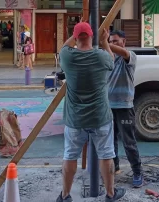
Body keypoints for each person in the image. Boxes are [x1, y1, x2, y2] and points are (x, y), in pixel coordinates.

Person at [56, 22, 126, 202]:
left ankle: (65, 195)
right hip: (100, 117)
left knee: (70, 156)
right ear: (91, 36)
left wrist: (75, 32)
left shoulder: (67, 57)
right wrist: (104, 41)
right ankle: (110, 194)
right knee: (106, 155)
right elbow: (111, 59)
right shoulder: (101, 57)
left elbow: (65, 46)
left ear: (75, 37)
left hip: (75, 119)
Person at [108, 30, 143, 188]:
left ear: (124, 42)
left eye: (116, 41)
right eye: (111, 41)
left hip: (124, 106)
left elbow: (121, 52)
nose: (113, 44)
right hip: (108, 106)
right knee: (110, 141)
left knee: (128, 142)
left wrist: (103, 42)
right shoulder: (108, 60)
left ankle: (137, 171)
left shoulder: (129, 57)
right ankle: (114, 168)